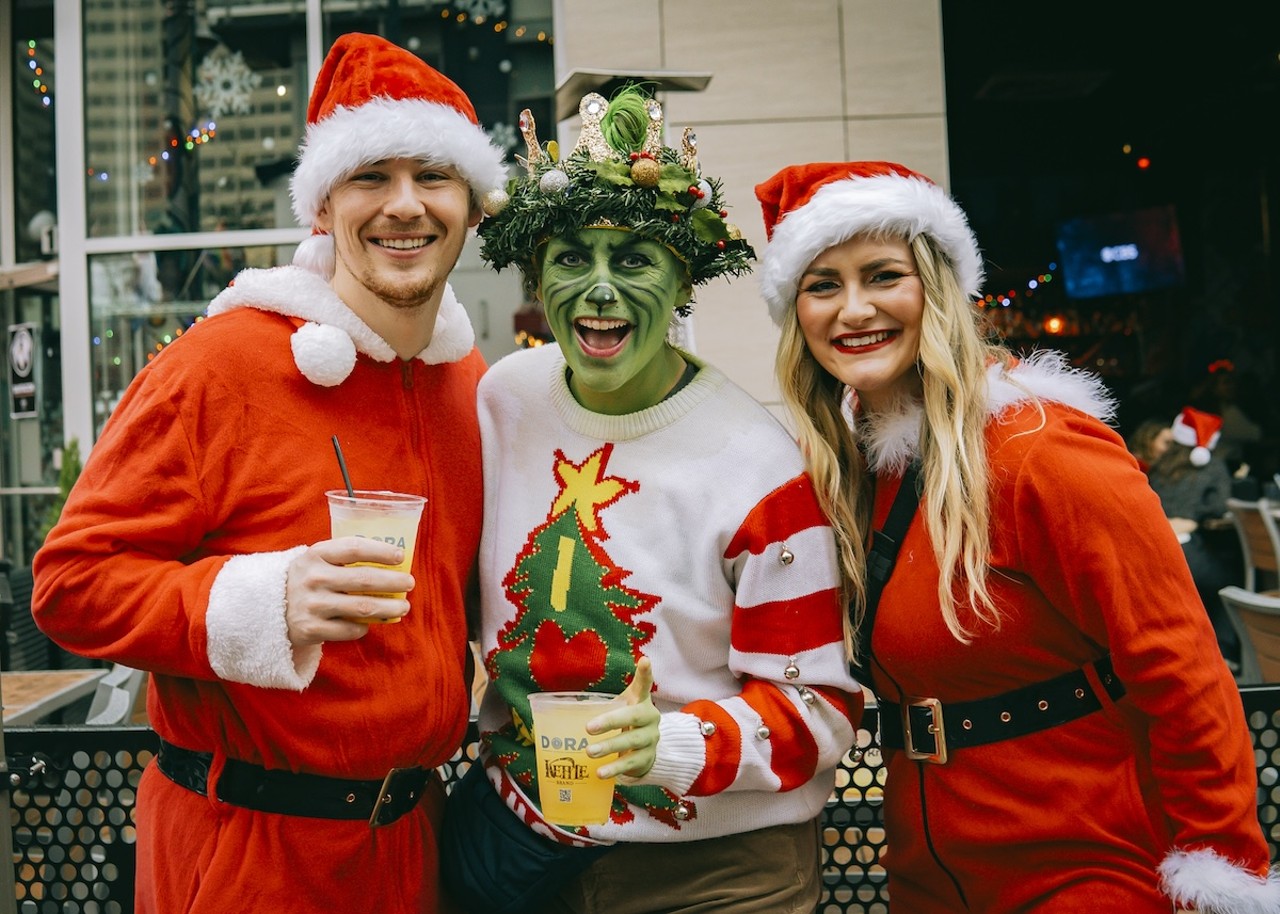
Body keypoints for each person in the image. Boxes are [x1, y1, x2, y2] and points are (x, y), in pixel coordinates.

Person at [32, 33, 507, 914]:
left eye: (433, 176)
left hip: (417, 845)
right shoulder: (221, 366)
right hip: (247, 854)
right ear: (323, 207)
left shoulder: (470, 387)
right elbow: (70, 584)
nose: (405, 205)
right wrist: (260, 601)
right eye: (371, 175)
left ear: (472, 206)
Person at [754, 160, 1277, 913]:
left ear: (936, 287)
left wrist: (1224, 869)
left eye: (882, 275)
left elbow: (1184, 671)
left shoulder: (1042, 452)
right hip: (929, 878)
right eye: (823, 285)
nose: (853, 309)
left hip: (1089, 872)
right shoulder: (855, 473)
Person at [457, 90, 864, 913]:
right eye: (573, 257)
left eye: (635, 260)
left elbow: (821, 712)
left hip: (713, 873)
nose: (599, 290)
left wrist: (673, 744)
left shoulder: (758, 469)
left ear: (683, 280)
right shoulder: (503, 402)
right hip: (520, 846)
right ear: (539, 277)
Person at [1147, 406, 1240, 665]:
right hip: (1188, 550)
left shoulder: (1161, 464)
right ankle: (1225, 651)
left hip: (1156, 547)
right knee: (1228, 585)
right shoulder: (1212, 465)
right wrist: (1195, 516)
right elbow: (1221, 506)